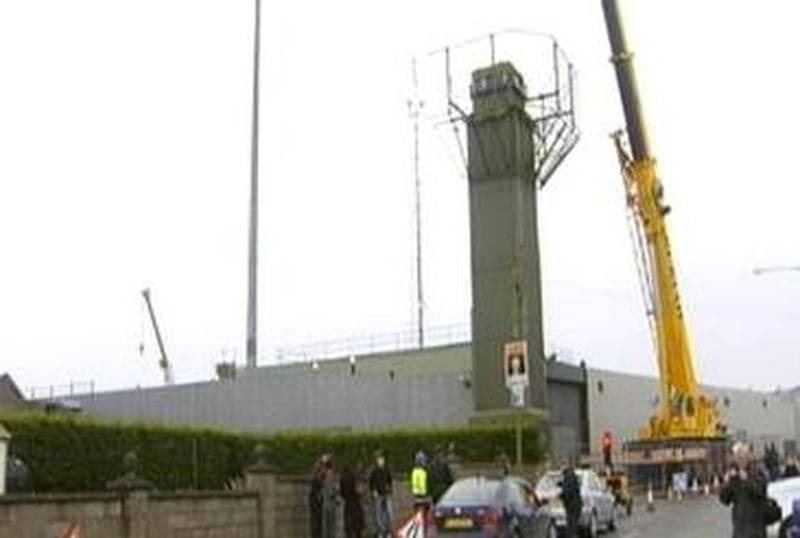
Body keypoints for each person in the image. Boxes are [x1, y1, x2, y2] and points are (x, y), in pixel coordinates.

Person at [720, 442, 768, 538]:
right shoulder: (734, 475)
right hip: (739, 529)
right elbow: (725, 500)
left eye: (742, 456)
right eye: (737, 457)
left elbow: (760, 492)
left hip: (756, 528)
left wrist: (746, 480)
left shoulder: (757, 472)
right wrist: (727, 484)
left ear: (748, 457)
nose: (739, 460)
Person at [368, 450, 393, 538]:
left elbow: (389, 481)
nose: (381, 461)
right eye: (379, 459)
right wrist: (373, 491)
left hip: (386, 494)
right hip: (378, 494)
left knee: (388, 513)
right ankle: (381, 532)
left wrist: (389, 488)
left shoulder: (386, 470)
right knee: (379, 514)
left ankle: (388, 531)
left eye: (382, 459)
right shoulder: (374, 471)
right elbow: (371, 483)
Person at [340, 463, 365, 538]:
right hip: (355, 503)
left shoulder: (343, 479)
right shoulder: (355, 478)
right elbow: (360, 491)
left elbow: (342, 493)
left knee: (349, 527)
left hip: (348, 503)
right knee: (357, 527)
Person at [560, 461, 583, 538]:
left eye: (562, 466)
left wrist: (561, 496)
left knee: (571, 525)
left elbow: (568, 491)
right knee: (572, 524)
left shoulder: (569, 476)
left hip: (572, 504)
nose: (561, 469)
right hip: (575, 504)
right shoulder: (570, 475)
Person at [320, 454, 339, 538]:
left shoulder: (324, 475)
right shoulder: (330, 475)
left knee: (326, 524)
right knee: (331, 524)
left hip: (325, 502)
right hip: (330, 502)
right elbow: (333, 489)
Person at [309, 455, 326, 538]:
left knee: (318, 521)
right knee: (316, 521)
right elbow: (318, 481)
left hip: (317, 499)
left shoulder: (318, 474)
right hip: (315, 499)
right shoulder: (316, 475)